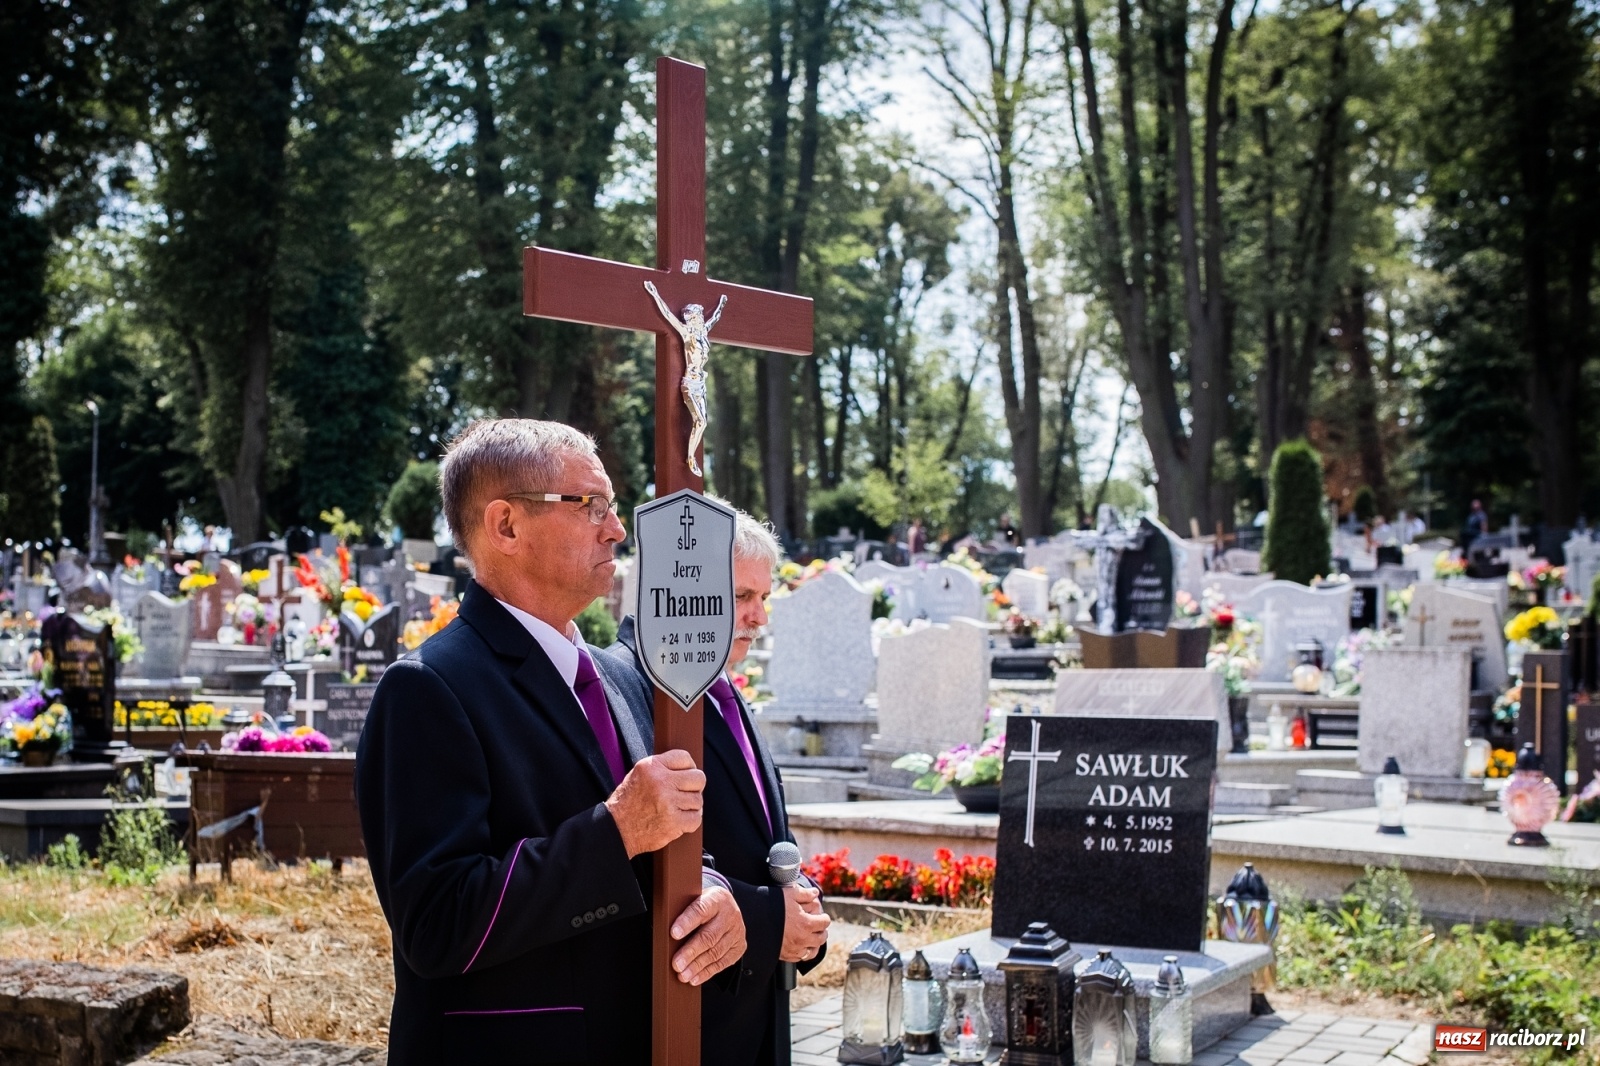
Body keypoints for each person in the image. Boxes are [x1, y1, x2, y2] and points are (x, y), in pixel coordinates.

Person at [356, 419, 746, 1064]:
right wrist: (613, 830)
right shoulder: (430, 689)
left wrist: (712, 894)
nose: (617, 529)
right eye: (588, 505)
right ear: (506, 525)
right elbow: (436, 924)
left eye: (614, 508)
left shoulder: (619, 674)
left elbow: (657, 837)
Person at [610, 509, 831, 1066]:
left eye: (763, 597)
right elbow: (647, 861)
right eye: (742, 597)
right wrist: (772, 920)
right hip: (683, 1020)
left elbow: (759, 842)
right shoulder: (630, 686)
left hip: (755, 1016)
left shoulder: (725, 692)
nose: (758, 617)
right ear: (682, 590)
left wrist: (800, 909)